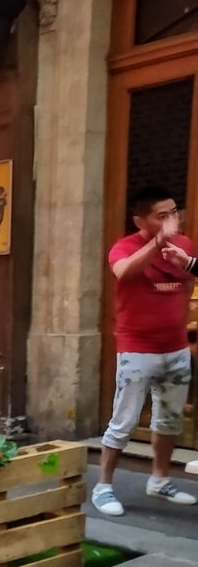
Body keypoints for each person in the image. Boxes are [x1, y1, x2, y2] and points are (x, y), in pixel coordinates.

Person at [93, 186, 197, 517]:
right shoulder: (125, 246)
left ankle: (160, 479)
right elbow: (123, 272)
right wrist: (157, 243)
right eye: (161, 216)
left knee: (169, 420)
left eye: (174, 213)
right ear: (141, 220)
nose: (172, 221)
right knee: (123, 421)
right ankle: (103, 486)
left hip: (176, 348)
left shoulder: (185, 245)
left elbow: (188, 285)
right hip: (137, 348)